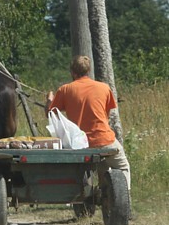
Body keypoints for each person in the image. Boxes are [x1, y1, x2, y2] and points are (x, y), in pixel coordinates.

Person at [46, 55, 131, 190]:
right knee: (122, 166)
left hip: (80, 144)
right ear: (88, 71)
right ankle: (123, 197)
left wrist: (49, 100)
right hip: (104, 140)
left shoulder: (65, 89)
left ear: (73, 72)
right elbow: (106, 115)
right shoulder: (104, 88)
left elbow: (51, 115)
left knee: (100, 166)